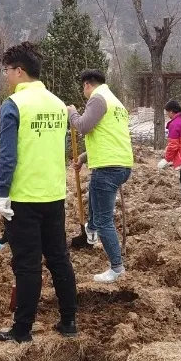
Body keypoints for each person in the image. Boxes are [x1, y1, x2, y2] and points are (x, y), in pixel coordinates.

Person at [0, 42, 77, 343]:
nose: (7, 76)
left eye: (8, 71)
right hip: (54, 194)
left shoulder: (14, 105)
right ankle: (68, 321)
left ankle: (22, 330)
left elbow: (8, 156)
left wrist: (2, 192)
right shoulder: (58, 104)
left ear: (20, 71)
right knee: (58, 258)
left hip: (24, 197)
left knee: (27, 264)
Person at [67, 69, 134, 283]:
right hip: (121, 164)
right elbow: (108, 136)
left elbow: (84, 126)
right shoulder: (116, 103)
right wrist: (84, 158)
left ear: (87, 84)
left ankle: (116, 268)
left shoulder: (97, 99)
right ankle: (91, 229)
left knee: (104, 219)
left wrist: (72, 113)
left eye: (83, 87)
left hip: (107, 167)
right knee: (94, 199)